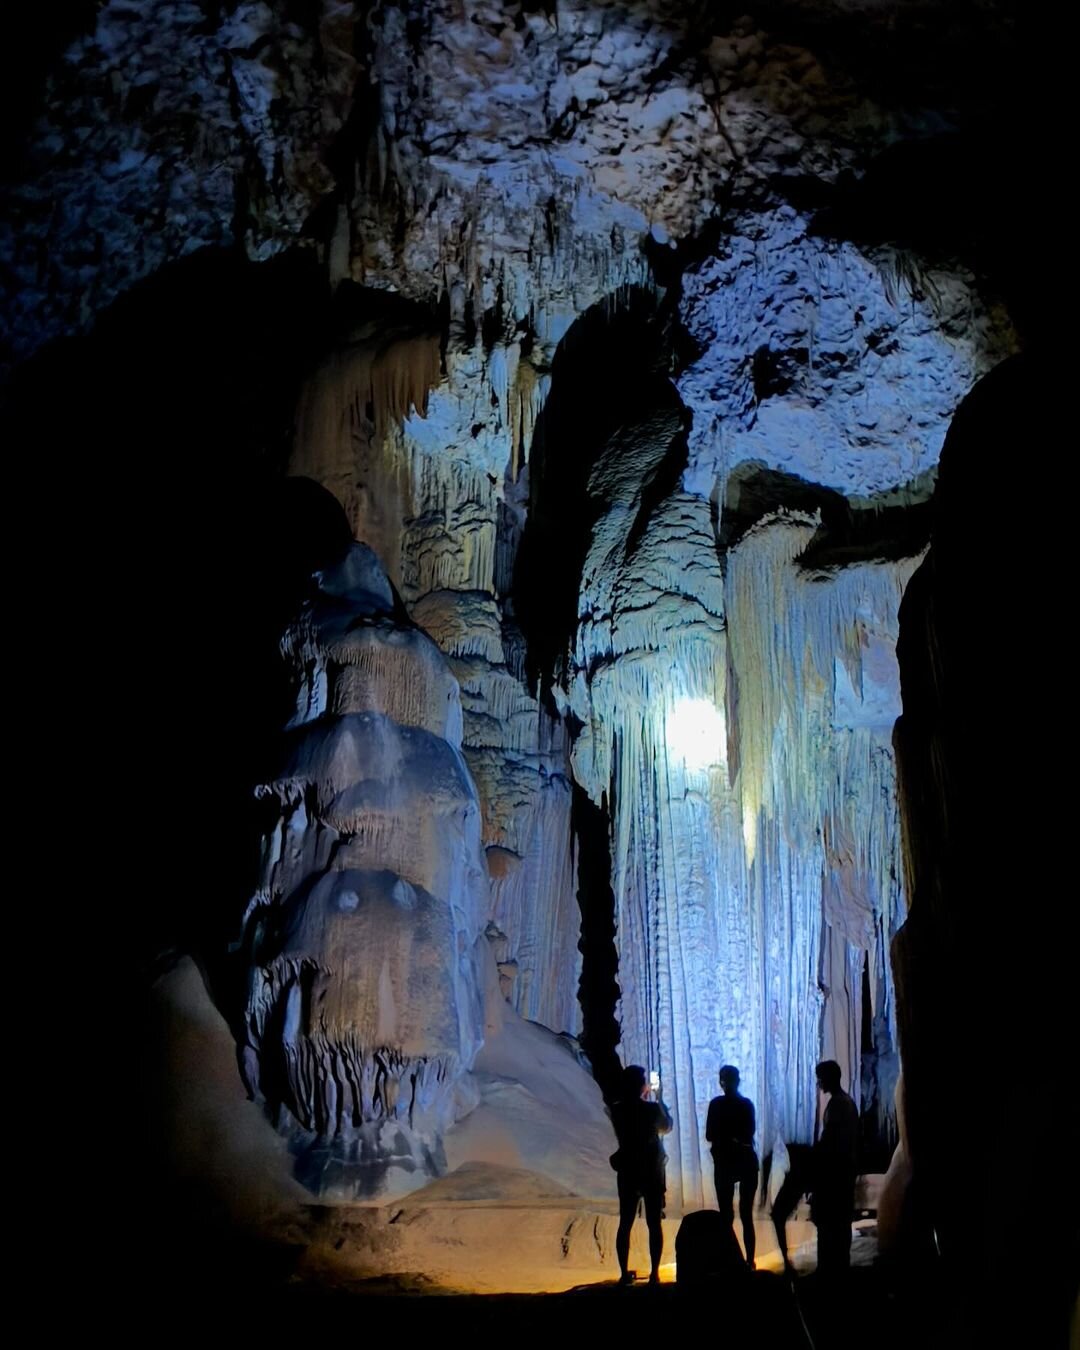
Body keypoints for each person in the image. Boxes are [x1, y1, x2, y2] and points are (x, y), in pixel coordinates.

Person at [610, 1064, 673, 1285]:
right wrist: (660, 1099)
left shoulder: (617, 1110)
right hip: (651, 1170)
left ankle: (623, 1273)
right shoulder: (651, 1110)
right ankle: (655, 1273)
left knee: (625, 1222)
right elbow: (666, 1126)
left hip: (628, 1169)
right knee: (654, 1223)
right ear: (640, 1085)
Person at [705, 1065, 759, 1268]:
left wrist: (724, 1137)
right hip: (740, 1160)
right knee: (740, 1215)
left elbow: (712, 1134)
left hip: (729, 1161)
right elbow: (747, 1133)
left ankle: (739, 1260)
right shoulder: (744, 1105)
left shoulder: (720, 1105)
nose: (724, 1083)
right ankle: (745, 1260)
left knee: (733, 1215)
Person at [812, 1059, 859, 1279]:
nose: (819, 1083)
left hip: (835, 1174)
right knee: (838, 1223)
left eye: (820, 1078)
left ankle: (830, 1270)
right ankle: (838, 1267)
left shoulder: (840, 1104)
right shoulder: (845, 1102)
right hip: (843, 1172)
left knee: (831, 1224)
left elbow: (831, 1141)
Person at [761, 1141, 814, 1274]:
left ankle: (786, 1260)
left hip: (800, 1162)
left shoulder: (800, 1167)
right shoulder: (798, 1169)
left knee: (778, 1216)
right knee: (778, 1216)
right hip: (798, 1162)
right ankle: (786, 1260)